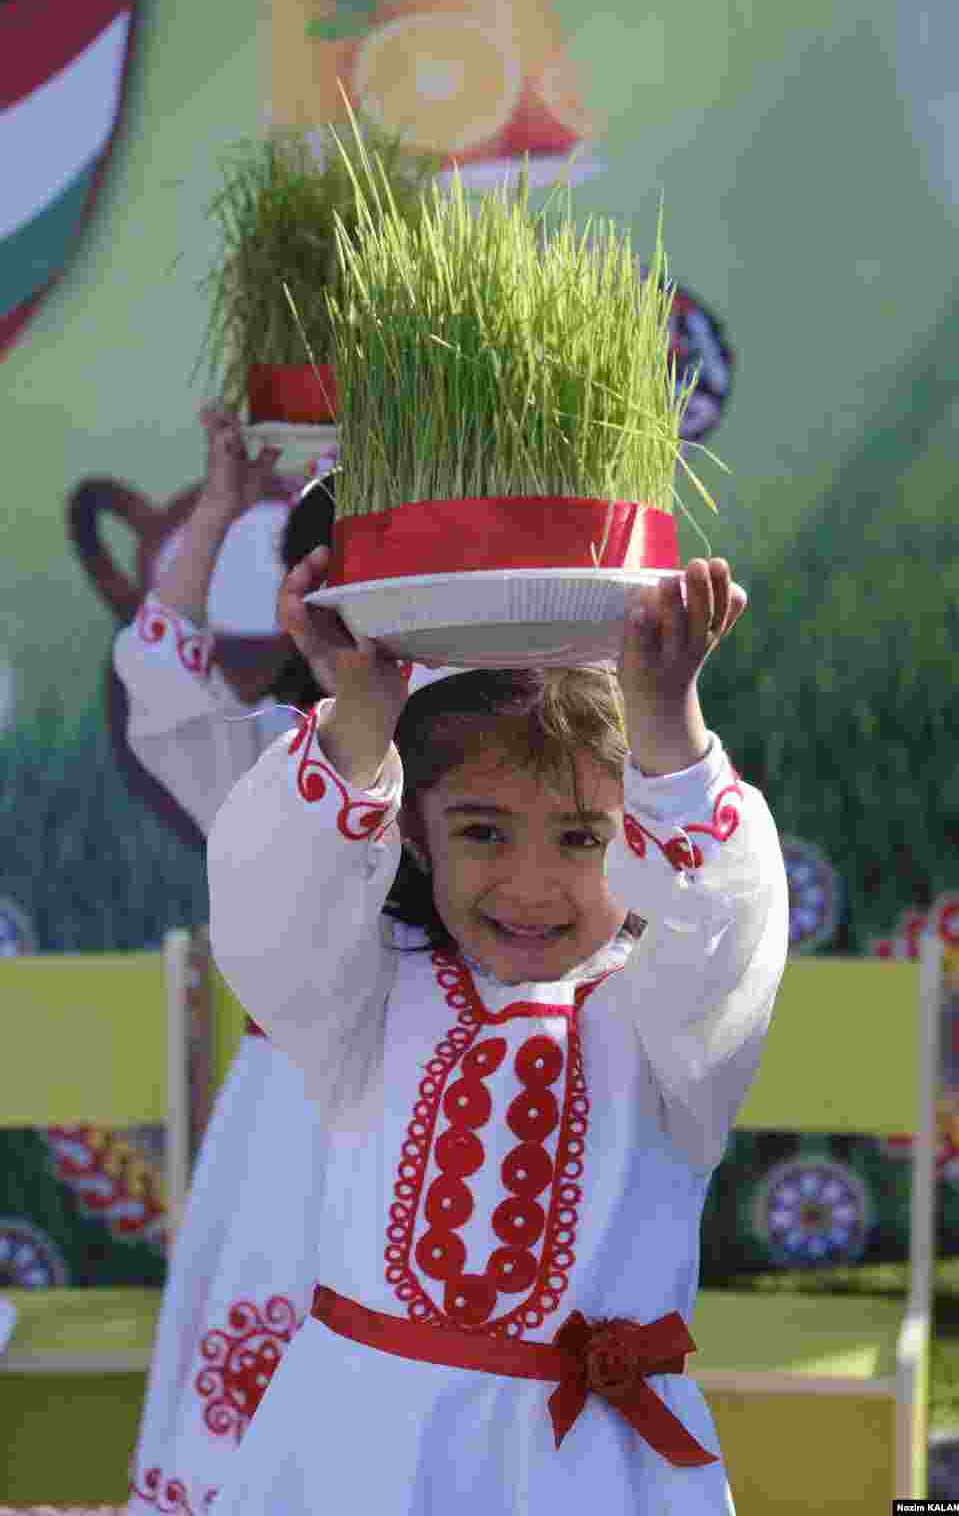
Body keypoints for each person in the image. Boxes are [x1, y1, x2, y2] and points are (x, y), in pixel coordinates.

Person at [205, 543, 789, 1514]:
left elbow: (724, 928)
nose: (528, 885)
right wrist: (358, 714)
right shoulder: (365, 997)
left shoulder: (665, 1029)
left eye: (579, 837)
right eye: (482, 830)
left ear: (636, 836)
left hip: (583, 1474)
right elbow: (272, 907)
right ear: (412, 830)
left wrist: (667, 725)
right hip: (354, 1462)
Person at [112, 404, 336, 1514]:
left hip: (452, 1128)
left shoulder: (494, 768)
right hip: (286, 1141)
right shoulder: (263, 759)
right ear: (298, 607)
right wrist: (217, 506)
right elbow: (158, 666)